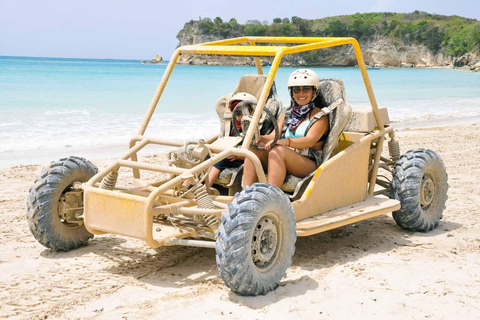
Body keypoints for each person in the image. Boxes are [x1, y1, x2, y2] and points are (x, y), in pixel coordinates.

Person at [242, 69, 329, 188]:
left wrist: (284, 142)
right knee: (254, 148)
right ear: (292, 92)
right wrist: (257, 137)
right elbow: (273, 136)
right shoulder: (288, 114)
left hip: (309, 163)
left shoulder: (320, 117)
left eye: (306, 89)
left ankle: (271, 195)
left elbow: (309, 141)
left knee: (277, 150)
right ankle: (245, 192)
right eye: (296, 90)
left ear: (314, 91)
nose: (301, 94)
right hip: (285, 157)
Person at [207, 92, 257, 186]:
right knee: (206, 156)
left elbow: (256, 152)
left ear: (252, 112)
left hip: (241, 158)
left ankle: (205, 189)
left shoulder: (256, 128)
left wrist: (238, 155)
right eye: (237, 113)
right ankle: (188, 186)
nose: (241, 116)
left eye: (245, 112)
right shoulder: (232, 126)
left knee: (220, 160)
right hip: (229, 154)